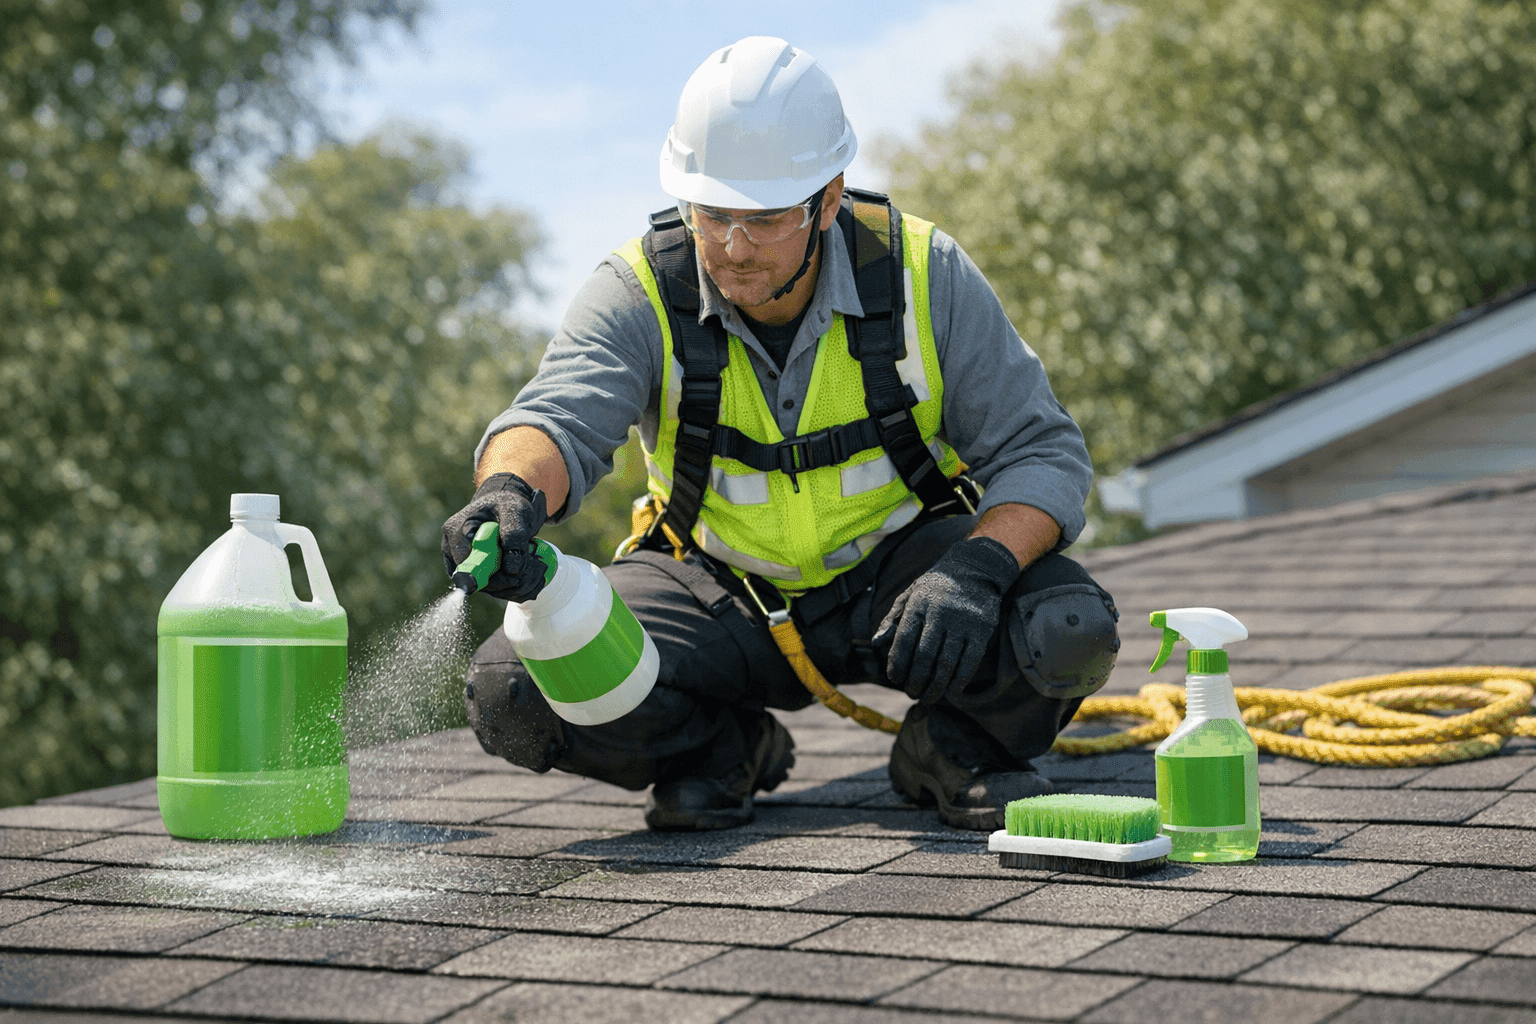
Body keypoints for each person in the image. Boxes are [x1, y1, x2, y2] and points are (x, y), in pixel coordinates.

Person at [441, 36, 1120, 833]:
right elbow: (557, 413)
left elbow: (1043, 452)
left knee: (1064, 627)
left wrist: (978, 566)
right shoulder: (637, 289)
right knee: (514, 692)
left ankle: (955, 744)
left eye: (761, 220)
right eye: (712, 214)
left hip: (902, 588)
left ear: (826, 201)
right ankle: (714, 752)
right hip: (711, 592)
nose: (731, 247)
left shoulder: (921, 273)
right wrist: (509, 490)